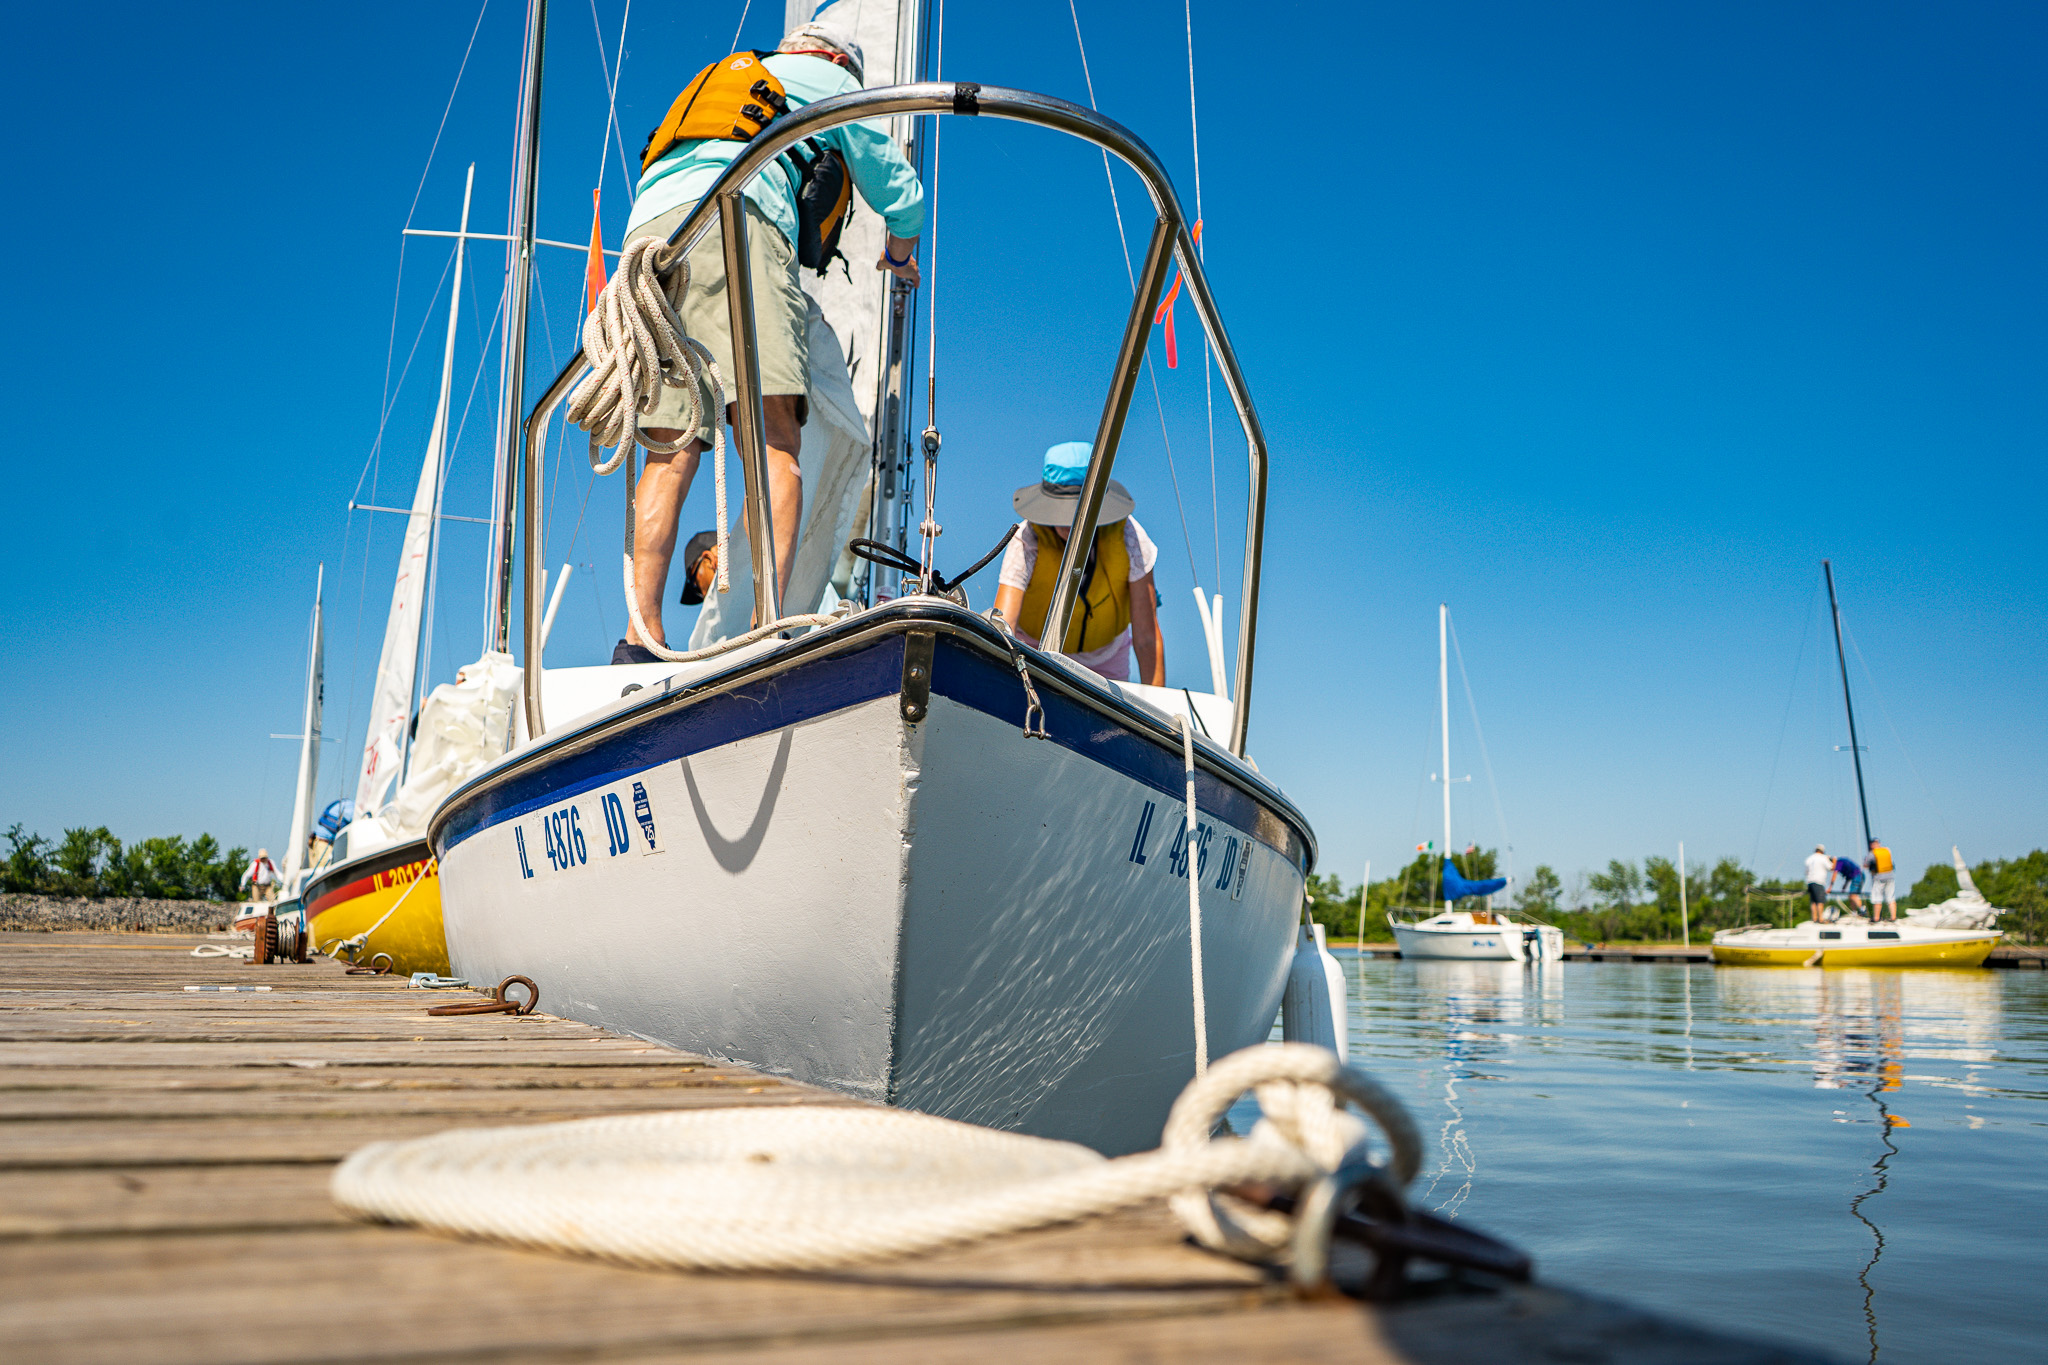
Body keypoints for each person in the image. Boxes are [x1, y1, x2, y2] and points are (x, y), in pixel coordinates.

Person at [614, 19, 925, 662]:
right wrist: (898, 254)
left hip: (652, 231)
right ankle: (768, 628)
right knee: (772, 434)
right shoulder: (833, 82)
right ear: (840, 61)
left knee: (670, 447)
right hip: (742, 212)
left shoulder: (733, 74)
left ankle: (639, 639)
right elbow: (902, 194)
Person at [992, 442, 1165, 685]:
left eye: (1076, 512)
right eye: (1059, 509)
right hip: (1036, 650)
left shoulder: (1131, 537)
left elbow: (1147, 637)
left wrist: (1157, 711)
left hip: (1107, 658)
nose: (1066, 522)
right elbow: (1004, 626)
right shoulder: (1026, 538)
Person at [1866, 837, 1898, 921]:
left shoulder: (1872, 853)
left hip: (1878, 878)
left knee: (1877, 898)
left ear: (1872, 845)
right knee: (1891, 897)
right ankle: (1893, 917)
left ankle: (1876, 918)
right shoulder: (1887, 850)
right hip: (1890, 877)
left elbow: (1866, 864)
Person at [1803, 845, 1833, 923]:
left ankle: (1814, 918)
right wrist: (1833, 860)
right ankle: (1820, 919)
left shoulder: (1809, 859)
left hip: (1810, 881)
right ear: (1822, 851)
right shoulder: (1823, 858)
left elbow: (1806, 872)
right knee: (1820, 901)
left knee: (1813, 901)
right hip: (1819, 881)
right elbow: (1831, 868)